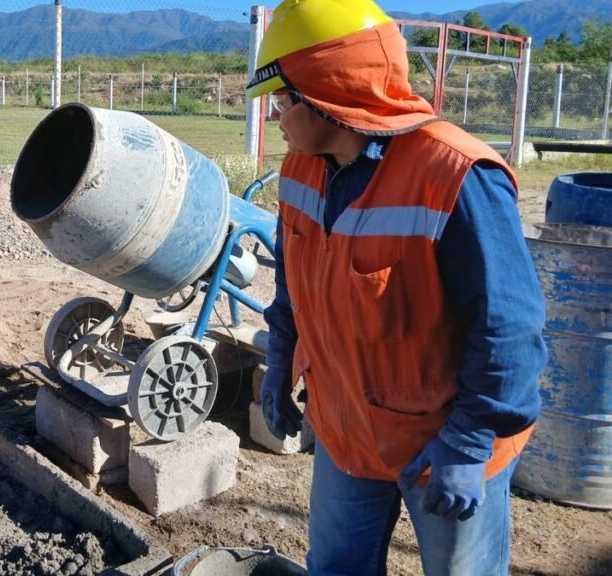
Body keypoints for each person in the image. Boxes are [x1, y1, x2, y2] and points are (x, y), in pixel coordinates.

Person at [246, 0, 547, 574]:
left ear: (327, 95)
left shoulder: (455, 175)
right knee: (336, 567)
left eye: (283, 101)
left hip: (445, 444)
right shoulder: (300, 170)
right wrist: (282, 358)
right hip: (346, 431)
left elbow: (510, 328)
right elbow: (293, 287)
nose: (276, 117)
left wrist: (468, 441)